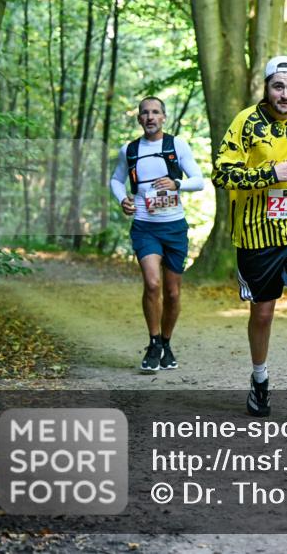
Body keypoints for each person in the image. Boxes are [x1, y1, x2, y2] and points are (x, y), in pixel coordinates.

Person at [212, 56, 287, 421]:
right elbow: (221, 173)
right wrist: (268, 174)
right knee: (263, 313)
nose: (286, 94)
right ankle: (260, 381)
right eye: (279, 86)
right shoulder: (246, 122)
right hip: (257, 233)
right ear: (266, 87)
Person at [110, 96, 204, 372]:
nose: (150, 117)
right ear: (139, 119)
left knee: (173, 293)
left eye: (155, 112)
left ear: (164, 117)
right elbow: (116, 179)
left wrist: (177, 184)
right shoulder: (128, 150)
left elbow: (198, 181)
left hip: (174, 227)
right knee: (152, 284)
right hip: (144, 225)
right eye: (145, 113)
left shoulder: (177, 145)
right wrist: (122, 199)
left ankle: (166, 342)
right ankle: (153, 343)